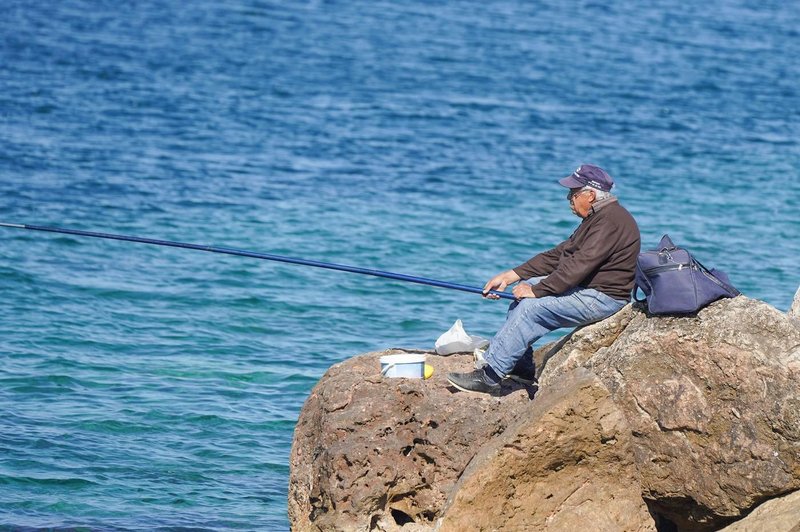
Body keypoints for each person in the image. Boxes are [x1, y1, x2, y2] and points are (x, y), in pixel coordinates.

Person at [447, 164, 641, 394]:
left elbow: (578, 267)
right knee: (523, 301)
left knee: (531, 308)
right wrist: (512, 275)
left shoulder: (610, 221)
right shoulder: (598, 217)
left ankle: (490, 376)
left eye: (573, 193)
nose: (568, 198)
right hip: (589, 292)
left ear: (590, 195)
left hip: (603, 298)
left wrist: (537, 290)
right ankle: (522, 367)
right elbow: (560, 255)